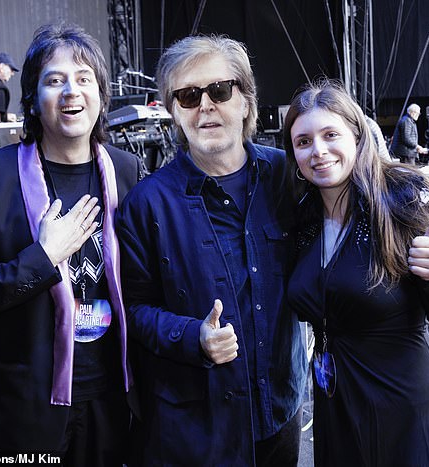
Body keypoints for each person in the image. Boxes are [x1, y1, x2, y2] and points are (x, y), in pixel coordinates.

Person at [0, 23, 142, 465]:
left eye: (84, 79)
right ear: (32, 98)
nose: (72, 91)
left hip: (113, 404)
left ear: (102, 96)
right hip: (24, 416)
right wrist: (43, 257)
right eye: (55, 80)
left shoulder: (128, 171)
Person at [116, 35, 308, 466]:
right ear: (174, 112)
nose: (205, 105)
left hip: (279, 415)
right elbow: (134, 311)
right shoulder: (147, 204)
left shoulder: (287, 176)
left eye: (219, 91)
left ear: (245, 100)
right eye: (187, 96)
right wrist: (194, 337)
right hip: (197, 430)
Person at [282, 80, 429, 466]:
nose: (318, 151)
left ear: (357, 136)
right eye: (303, 142)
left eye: (330, 134)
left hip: (408, 415)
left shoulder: (407, 197)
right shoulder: (302, 217)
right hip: (337, 410)